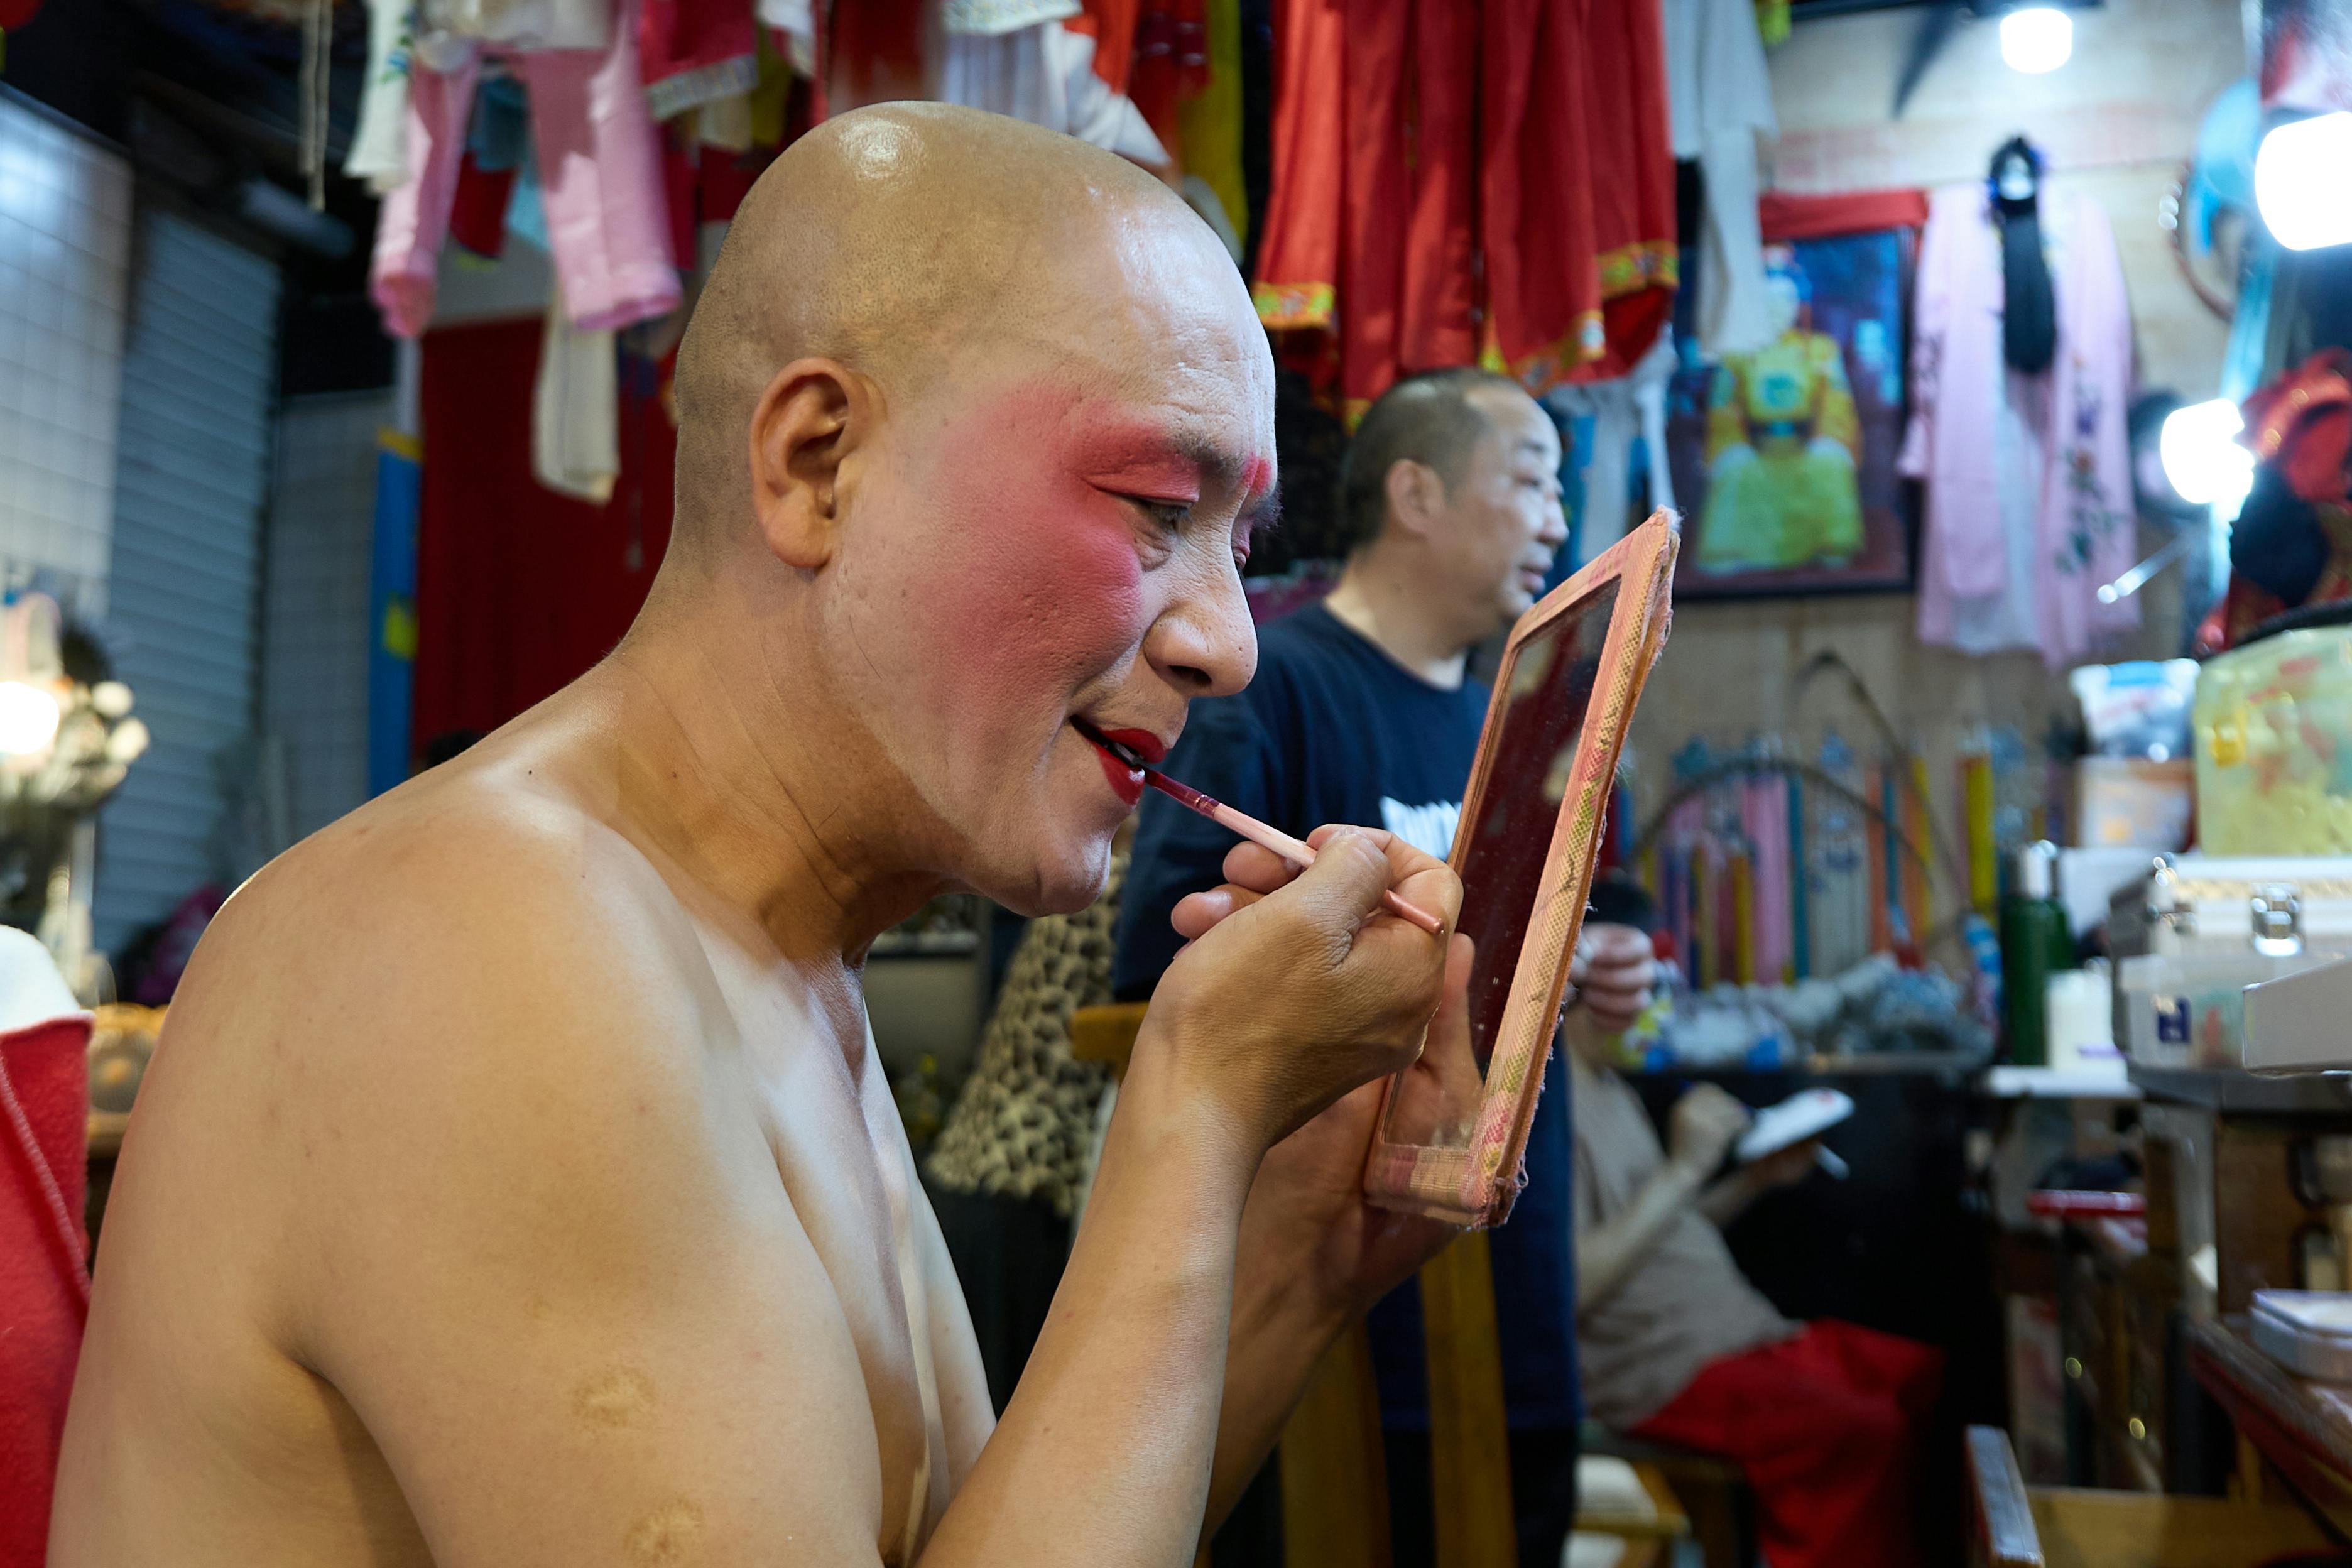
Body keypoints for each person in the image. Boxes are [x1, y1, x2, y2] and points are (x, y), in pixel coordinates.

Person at [49, 104, 1483, 1567]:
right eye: (1155, 508)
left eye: (1239, 551)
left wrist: (1299, 1257)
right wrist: (1191, 1105)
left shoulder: (775, 961)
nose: (1227, 645)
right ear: (815, 460)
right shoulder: (487, 926)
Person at [1114, 368, 1657, 1567]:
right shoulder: (1275, 688)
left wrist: (1603, 960)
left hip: (1508, 1281)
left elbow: (1568, 936)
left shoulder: (1508, 719)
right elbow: (1156, 953)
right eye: (1529, 480)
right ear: (1414, 492)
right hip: (1320, 1325)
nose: (1559, 525)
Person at [1567, 964, 1942, 1568]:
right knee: (1861, 1429)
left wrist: (1755, 1179)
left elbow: (1662, 1236)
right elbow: (1572, 1285)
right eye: (1651, 994)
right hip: (1658, 1369)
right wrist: (1684, 1169)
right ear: (1594, 991)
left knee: (1920, 1376)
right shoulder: (1551, 1108)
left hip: (1734, 1335)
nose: (1661, 1016)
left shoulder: (1613, 1085)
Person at [1696, 246, 1865, 574]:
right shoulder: (1736, 354)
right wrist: (1734, 445)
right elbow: (1722, 410)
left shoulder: (1820, 349)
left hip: (1805, 443)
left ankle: (1831, 543)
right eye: (1769, 302)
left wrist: (1828, 439)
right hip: (1754, 446)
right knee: (1735, 469)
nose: (1778, 310)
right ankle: (1730, 549)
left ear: (1795, 305)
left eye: (1784, 301)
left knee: (1829, 464)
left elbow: (1837, 405)